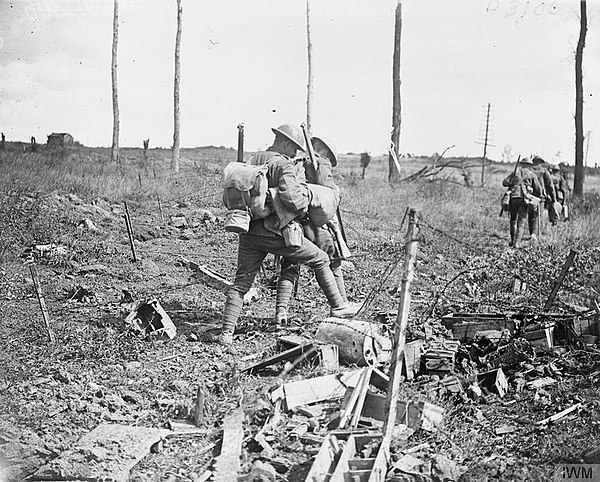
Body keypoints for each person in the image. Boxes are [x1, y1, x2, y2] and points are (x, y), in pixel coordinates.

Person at [215, 123, 358, 345]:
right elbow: (293, 200)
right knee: (321, 259)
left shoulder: (252, 160)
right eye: (294, 148)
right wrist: (306, 200)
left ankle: (226, 334)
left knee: (241, 284)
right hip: (277, 233)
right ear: (285, 143)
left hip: (249, 232)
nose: (294, 153)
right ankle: (339, 306)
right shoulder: (283, 164)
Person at [274, 135, 358, 325]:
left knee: (290, 265)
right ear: (327, 151)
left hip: (293, 220)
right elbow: (326, 188)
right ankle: (341, 304)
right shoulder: (322, 163)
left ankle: (281, 312)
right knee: (333, 260)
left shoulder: (295, 162)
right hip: (314, 222)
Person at [502, 156, 543, 248]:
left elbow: (504, 183)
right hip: (524, 198)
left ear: (522, 164)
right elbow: (538, 189)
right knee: (521, 221)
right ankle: (516, 243)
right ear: (530, 165)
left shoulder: (515, 173)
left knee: (513, 220)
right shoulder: (531, 174)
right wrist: (535, 193)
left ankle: (512, 241)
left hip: (513, 197)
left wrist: (512, 182)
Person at [531, 155, 557, 226]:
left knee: (531, 214)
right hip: (540, 195)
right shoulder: (544, 171)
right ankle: (536, 233)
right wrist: (553, 198)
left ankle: (531, 232)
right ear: (541, 162)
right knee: (539, 214)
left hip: (529, 195)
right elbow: (550, 185)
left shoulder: (530, 170)